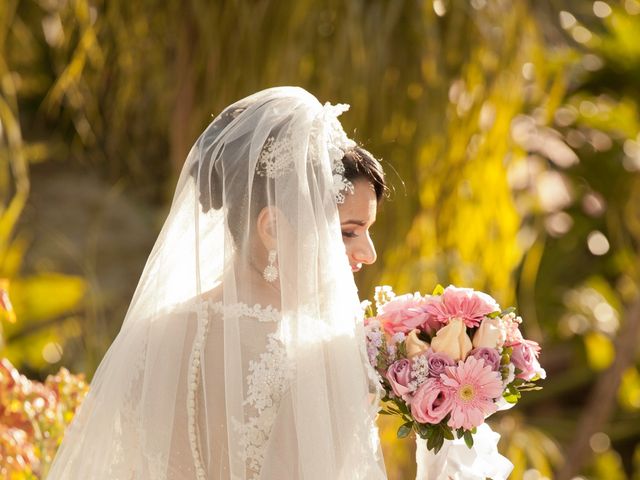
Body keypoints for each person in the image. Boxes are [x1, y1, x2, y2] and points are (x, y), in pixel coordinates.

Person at [47, 87, 389, 479]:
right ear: (273, 227)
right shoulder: (319, 356)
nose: (368, 253)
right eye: (347, 233)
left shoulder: (150, 337)